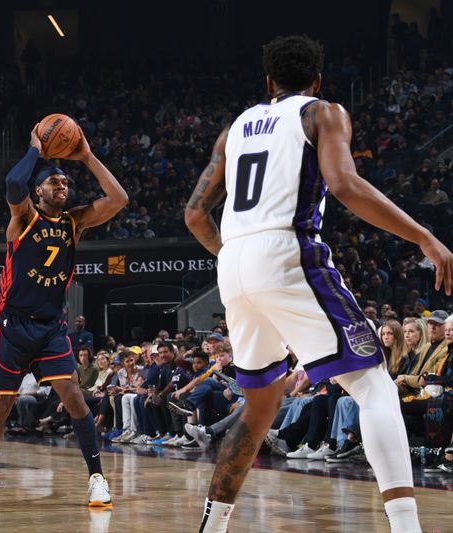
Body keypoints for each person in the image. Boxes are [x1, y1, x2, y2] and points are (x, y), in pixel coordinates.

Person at [184, 35, 453, 533]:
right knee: (374, 385)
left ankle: (212, 527)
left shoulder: (235, 129)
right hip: (286, 250)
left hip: (235, 263)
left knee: (259, 404)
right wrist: (425, 237)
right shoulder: (323, 113)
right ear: (318, 80)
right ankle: (408, 528)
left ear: (268, 82)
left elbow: (196, 213)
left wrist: (238, 260)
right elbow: (345, 184)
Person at [0, 124, 127, 507]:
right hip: (13, 325)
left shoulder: (74, 222)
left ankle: (97, 477)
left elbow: (119, 198)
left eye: (65, 182)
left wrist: (86, 155)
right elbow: (12, 184)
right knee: (0, 407)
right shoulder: (23, 219)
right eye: (53, 181)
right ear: (38, 190)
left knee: (74, 397)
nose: (62, 186)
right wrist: (35, 149)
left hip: (51, 326)